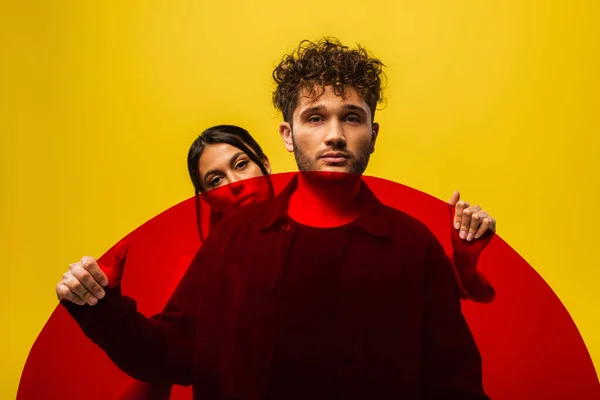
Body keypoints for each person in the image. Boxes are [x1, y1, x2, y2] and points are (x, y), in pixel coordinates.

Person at [57, 38, 493, 399]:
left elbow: (455, 384)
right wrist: (100, 305)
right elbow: (168, 355)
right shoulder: (232, 243)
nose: (335, 135)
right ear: (287, 135)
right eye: (315, 118)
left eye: (352, 118)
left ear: (372, 135)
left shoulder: (414, 245)